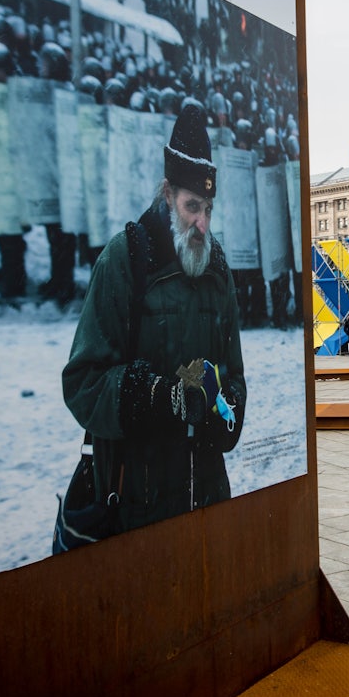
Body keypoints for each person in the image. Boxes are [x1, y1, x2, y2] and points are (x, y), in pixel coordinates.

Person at [60, 106, 246, 538]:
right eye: (192, 206)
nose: (202, 223)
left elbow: (234, 375)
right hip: (134, 506)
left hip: (208, 498)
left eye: (209, 209)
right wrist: (159, 396)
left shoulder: (218, 270)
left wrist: (224, 409)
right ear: (167, 194)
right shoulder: (124, 259)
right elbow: (83, 383)